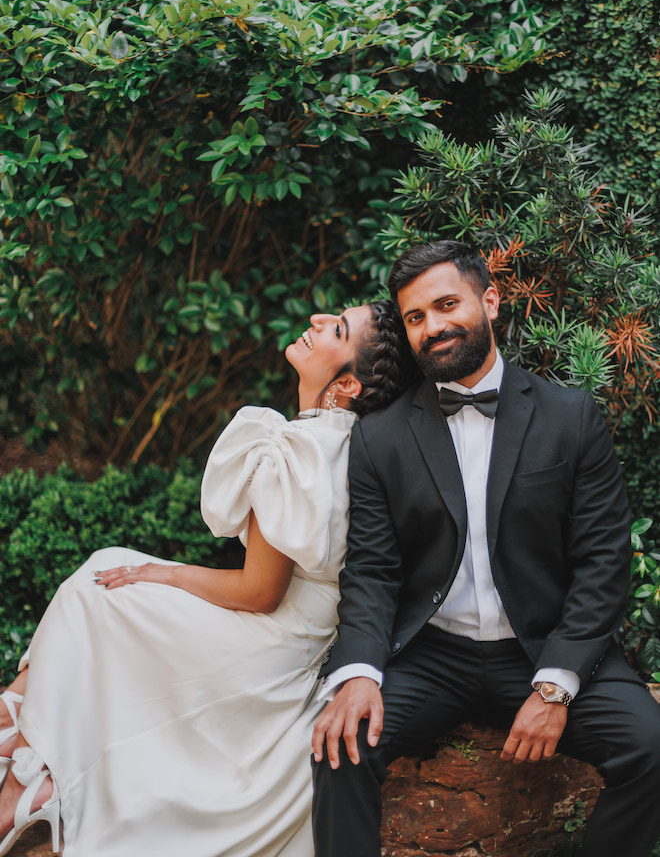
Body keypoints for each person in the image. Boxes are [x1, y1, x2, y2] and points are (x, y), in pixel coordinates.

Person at [0, 298, 411, 857]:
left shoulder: (298, 453)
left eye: (336, 329)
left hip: (268, 646)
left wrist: (163, 573)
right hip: (305, 640)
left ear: (348, 387)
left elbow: (259, 593)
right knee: (106, 571)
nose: (316, 322)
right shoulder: (345, 446)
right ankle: (21, 729)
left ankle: (21, 785)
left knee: (93, 591)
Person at [311, 240, 660, 857]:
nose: (433, 327)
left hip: (541, 647)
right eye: (416, 317)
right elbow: (371, 571)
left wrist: (555, 684)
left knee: (650, 743)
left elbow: (604, 562)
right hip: (432, 655)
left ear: (490, 301)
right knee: (343, 746)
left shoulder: (571, 417)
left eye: (447, 305)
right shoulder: (380, 438)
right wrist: (361, 671)